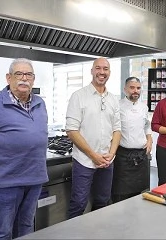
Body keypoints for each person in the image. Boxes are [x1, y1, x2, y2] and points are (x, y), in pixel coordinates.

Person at [0, 58, 49, 240]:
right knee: (3, 231)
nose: (24, 78)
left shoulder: (40, 103)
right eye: (19, 74)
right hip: (7, 181)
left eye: (28, 74)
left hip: (35, 178)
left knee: (26, 226)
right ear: (9, 78)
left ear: (33, 79)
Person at [66, 57, 121, 218]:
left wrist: (111, 153)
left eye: (105, 69)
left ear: (109, 72)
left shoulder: (113, 99)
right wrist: (93, 155)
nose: (101, 72)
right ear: (92, 71)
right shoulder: (78, 96)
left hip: (107, 161)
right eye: (98, 68)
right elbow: (71, 130)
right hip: (84, 161)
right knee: (79, 203)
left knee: (102, 202)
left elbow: (117, 129)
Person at [111, 77, 152, 203]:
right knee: (121, 195)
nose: (135, 91)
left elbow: (147, 126)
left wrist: (149, 139)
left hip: (141, 156)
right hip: (123, 156)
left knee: (141, 194)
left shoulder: (143, 107)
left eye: (138, 88)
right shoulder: (117, 106)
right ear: (125, 89)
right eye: (132, 87)